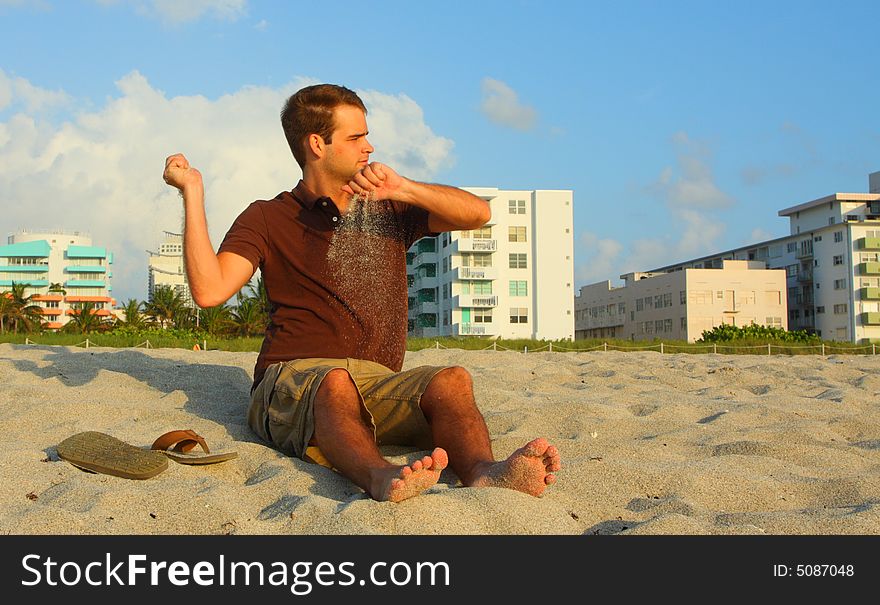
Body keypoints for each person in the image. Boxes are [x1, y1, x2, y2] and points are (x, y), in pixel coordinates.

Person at [162, 83, 561, 502]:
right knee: (334, 382)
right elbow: (209, 290)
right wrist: (193, 189)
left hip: (376, 386)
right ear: (317, 144)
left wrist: (404, 188)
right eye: (356, 137)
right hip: (293, 383)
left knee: (452, 381)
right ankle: (378, 475)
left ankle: (483, 472)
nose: (369, 147)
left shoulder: (387, 207)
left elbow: (478, 214)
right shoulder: (267, 217)